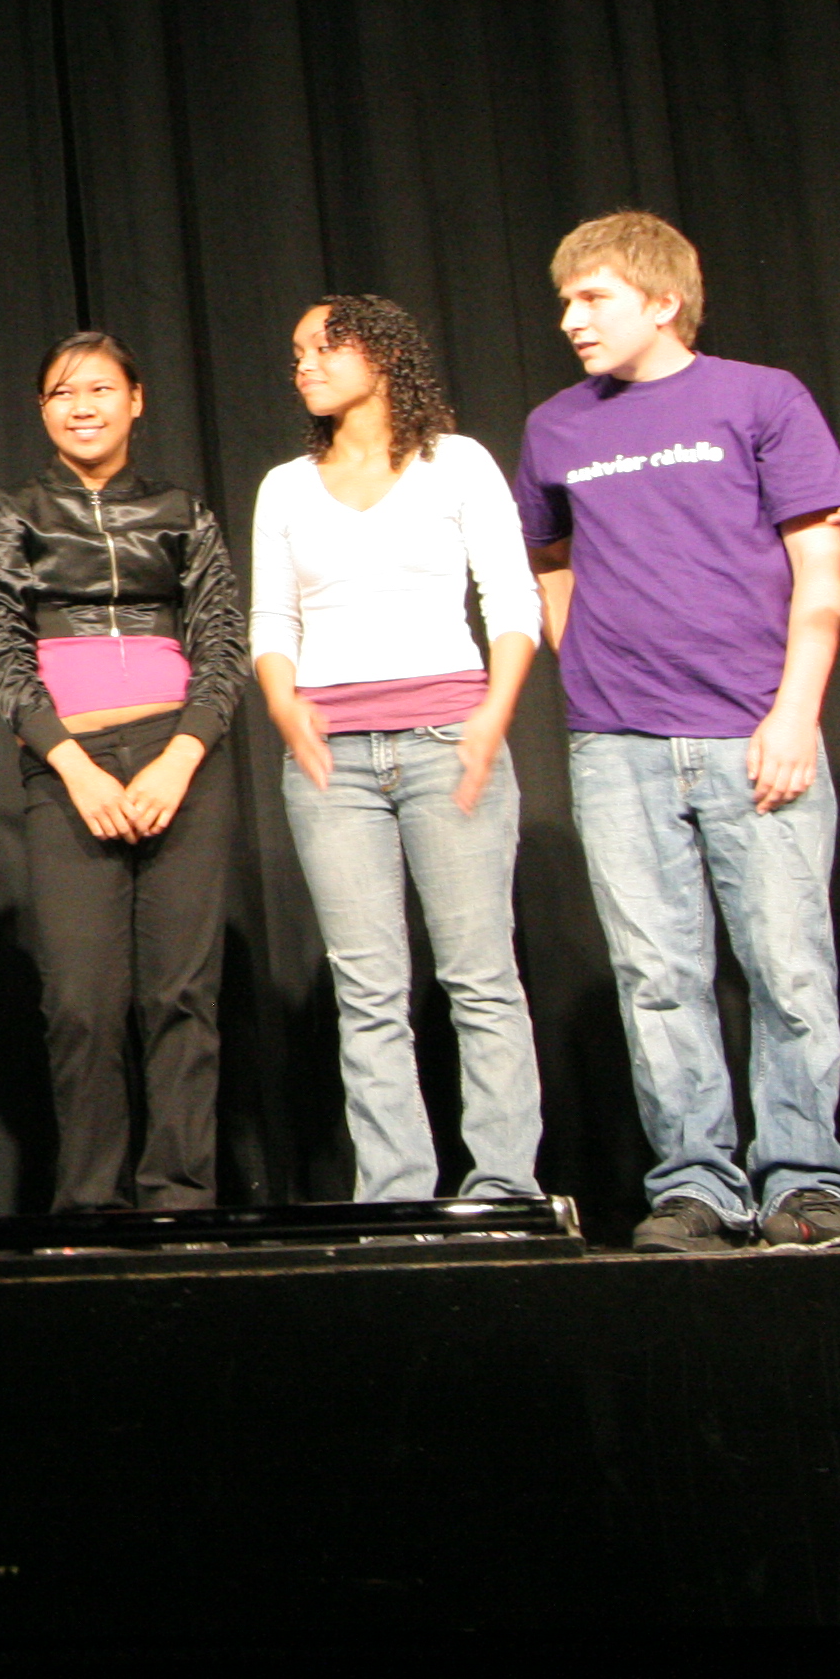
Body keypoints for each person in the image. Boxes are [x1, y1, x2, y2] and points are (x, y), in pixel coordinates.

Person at [512, 212, 840, 1253]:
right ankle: (697, 1184)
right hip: (617, 741)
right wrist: (582, 652)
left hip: (753, 727)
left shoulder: (761, 396)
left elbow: (822, 568)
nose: (572, 319)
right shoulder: (556, 426)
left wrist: (795, 711)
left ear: (663, 300)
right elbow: (547, 555)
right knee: (658, 979)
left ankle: (807, 1180)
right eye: (566, 300)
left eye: (594, 298)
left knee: (788, 968)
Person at [249, 294, 545, 1203]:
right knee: (369, 992)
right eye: (296, 352)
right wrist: (284, 706)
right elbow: (273, 618)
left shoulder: (457, 463)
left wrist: (494, 714)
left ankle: (503, 1191)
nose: (304, 364)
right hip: (331, 761)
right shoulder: (286, 485)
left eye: (324, 346)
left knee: (480, 979)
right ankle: (396, 1197)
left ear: (381, 355)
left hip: (448, 740)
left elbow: (512, 598)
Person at [0, 331, 246, 1211]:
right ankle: (91, 1203)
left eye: (99, 389)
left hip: (179, 762)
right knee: (81, 1001)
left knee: (181, 994)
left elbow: (223, 645)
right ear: (42, 409)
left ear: (136, 400)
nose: (81, 407)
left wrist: (182, 757)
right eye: (62, 393)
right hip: (67, 771)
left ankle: (180, 1196)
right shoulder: (13, 513)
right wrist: (75, 768)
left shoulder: (182, 511)